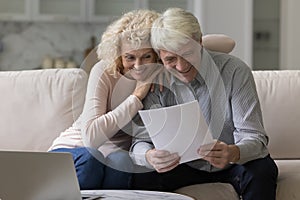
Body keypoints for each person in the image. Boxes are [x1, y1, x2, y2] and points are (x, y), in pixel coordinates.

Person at [48, 9, 236, 190]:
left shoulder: (164, 68)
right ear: (118, 55)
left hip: (116, 157)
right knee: (92, 160)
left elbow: (228, 43)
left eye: (146, 56)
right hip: (77, 152)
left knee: (122, 161)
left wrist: (173, 47)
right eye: (129, 57)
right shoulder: (105, 71)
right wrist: (137, 95)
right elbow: (91, 139)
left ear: (157, 53)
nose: (138, 66)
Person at [130, 8, 278, 200]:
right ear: (160, 56)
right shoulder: (155, 82)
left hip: (232, 163)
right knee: (137, 177)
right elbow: (138, 143)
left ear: (200, 42)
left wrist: (233, 152)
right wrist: (149, 156)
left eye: (188, 53)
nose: (182, 67)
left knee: (263, 169)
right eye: (171, 59)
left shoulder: (234, 71)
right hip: (180, 167)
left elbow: (255, 138)